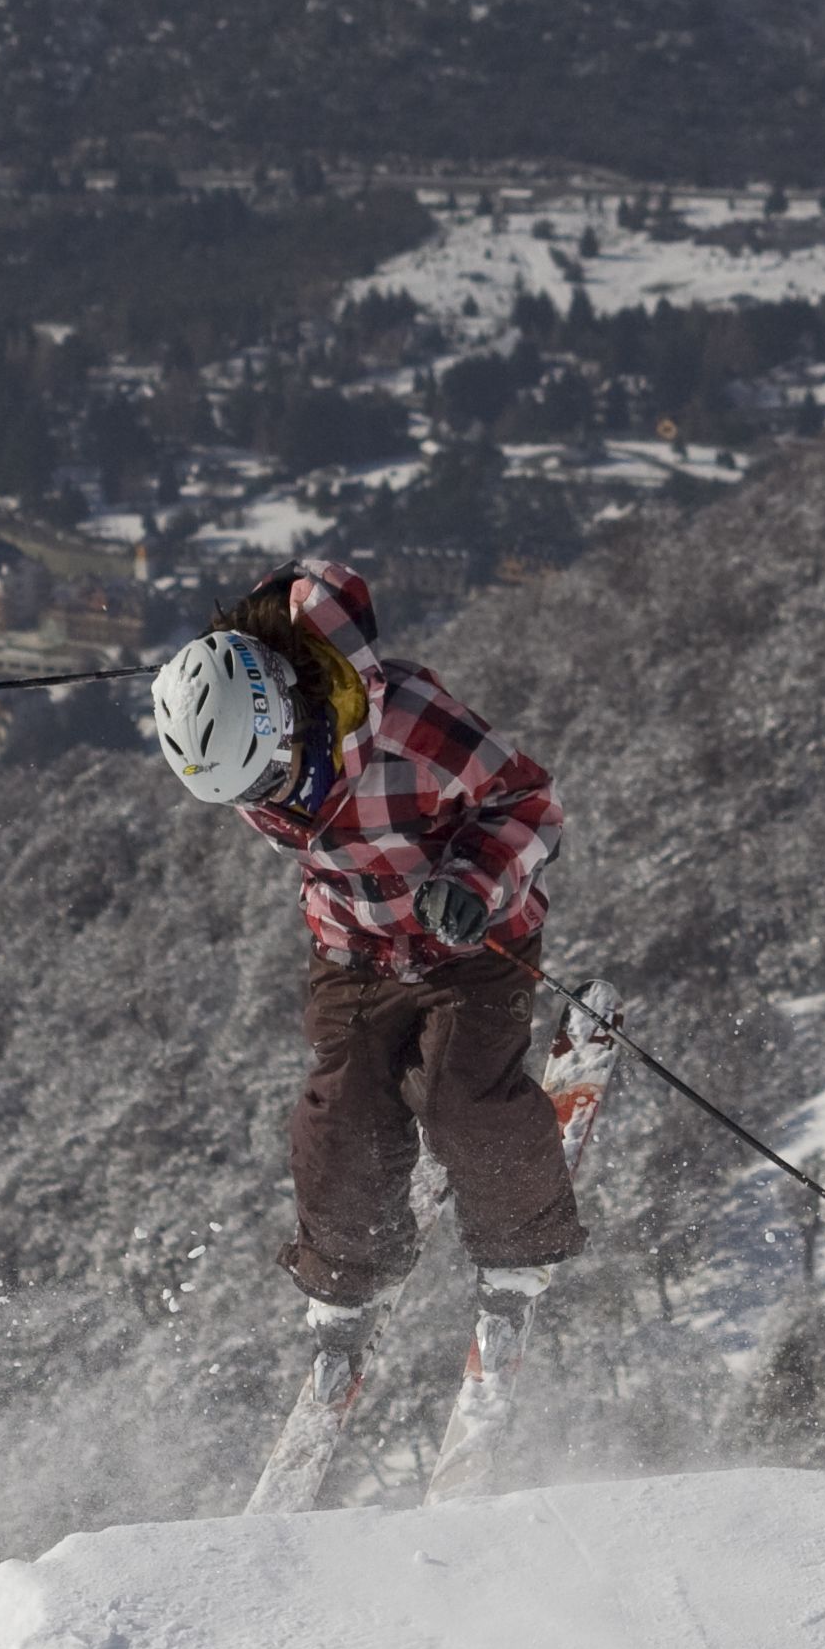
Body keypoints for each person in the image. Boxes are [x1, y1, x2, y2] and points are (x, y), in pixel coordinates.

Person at [148, 557, 584, 1349]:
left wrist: (472, 879)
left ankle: (520, 1251)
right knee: (337, 1118)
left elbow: (532, 802)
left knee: (459, 1101)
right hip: (354, 946)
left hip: (472, 943)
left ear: (286, 707)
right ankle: (350, 1277)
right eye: (250, 796)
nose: (273, 802)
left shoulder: (413, 729)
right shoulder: (251, 760)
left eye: (274, 773)